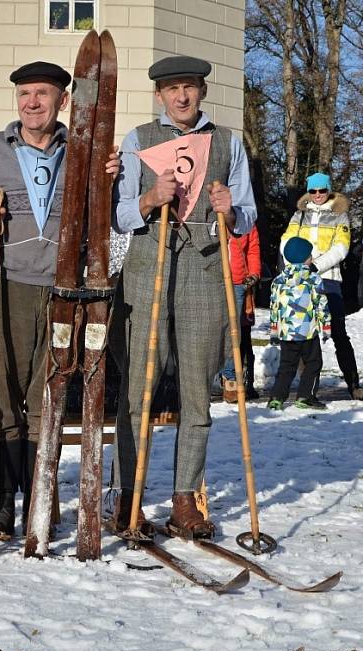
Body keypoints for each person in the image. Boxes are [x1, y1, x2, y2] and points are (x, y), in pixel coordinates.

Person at [0, 61, 123, 536]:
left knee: (48, 394)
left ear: (63, 100)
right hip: (5, 281)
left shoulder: (83, 152)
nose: (31, 103)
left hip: (62, 290)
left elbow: (106, 220)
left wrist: (112, 179)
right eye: (24, 94)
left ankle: (41, 493)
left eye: (42, 94)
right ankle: (0, 500)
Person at [111, 56, 257, 537]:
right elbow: (121, 214)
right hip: (148, 263)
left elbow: (248, 213)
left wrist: (230, 211)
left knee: (197, 388)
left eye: (190, 88)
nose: (181, 97)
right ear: (159, 95)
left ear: (202, 92)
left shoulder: (228, 143)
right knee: (139, 385)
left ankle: (184, 497)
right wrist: (151, 200)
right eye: (172, 89)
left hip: (205, 266)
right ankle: (127, 493)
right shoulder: (139, 140)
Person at [279, 173, 363, 400]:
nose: (317, 196)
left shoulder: (339, 215)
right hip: (303, 280)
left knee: (338, 331)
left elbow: (341, 248)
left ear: (328, 190)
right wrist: (296, 265)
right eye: (313, 191)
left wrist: (315, 266)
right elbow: (286, 241)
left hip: (328, 278)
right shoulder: (300, 214)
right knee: (307, 333)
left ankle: (353, 383)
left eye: (322, 191)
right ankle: (308, 390)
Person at [268, 237, 331, 410]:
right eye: (310, 255)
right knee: (313, 363)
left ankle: (276, 397)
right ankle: (306, 396)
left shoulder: (278, 281)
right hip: (308, 331)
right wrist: (325, 327)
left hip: (287, 332)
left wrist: (274, 331)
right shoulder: (313, 280)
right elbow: (321, 304)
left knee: (286, 366)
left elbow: (274, 308)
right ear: (305, 258)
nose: (312, 258)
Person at [218, 224, 261, 402]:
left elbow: (252, 248)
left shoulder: (245, 219)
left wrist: (254, 273)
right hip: (209, 280)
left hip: (237, 282)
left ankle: (230, 380)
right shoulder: (209, 212)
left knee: (233, 332)